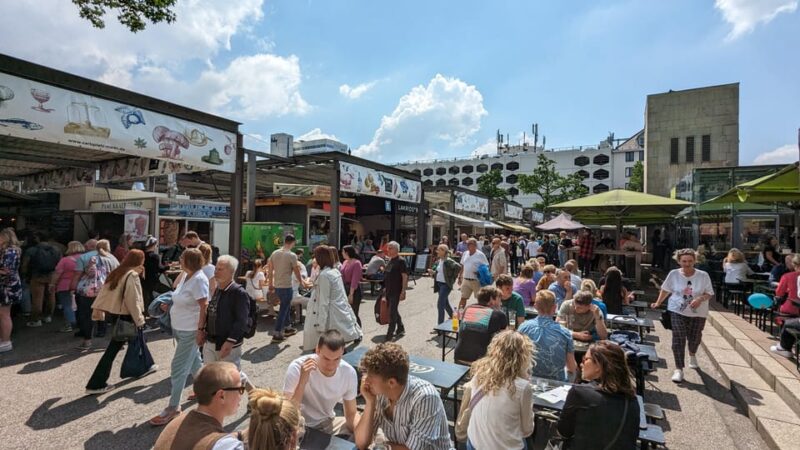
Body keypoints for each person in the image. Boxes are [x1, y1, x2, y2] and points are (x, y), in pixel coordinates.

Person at [150, 248, 210, 426]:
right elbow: (177, 291)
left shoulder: (199, 279)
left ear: (189, 261)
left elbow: (203, 306)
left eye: (182, 258)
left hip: (190, 330)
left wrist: (200, 330)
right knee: (195, 363)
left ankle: (174, 407)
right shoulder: (187, 276)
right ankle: (204, 391)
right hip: (180, 328)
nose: (179, 260)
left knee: (178, 368)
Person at [354, 343, 452, 450]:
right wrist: (370, 403)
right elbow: (361, 443)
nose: (365, 380)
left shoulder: (425, 398)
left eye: (370, 377)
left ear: (391, 382)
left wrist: (381, 447)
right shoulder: (380, 393)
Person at [85, 249, 156, 394]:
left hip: (117, 314)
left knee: (136, 341)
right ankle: (96, 383)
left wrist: (99, 310)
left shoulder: (118, 272)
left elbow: (106, 294)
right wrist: (140, 319)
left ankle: (146, 366)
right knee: (116, 348)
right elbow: (133, 300)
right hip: (128, 315)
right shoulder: (132, 275)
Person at [456, 330, 535, 450]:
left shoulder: (480, 373)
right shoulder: (523, 387)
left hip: (474, 444)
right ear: (523, 357)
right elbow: (527, 430)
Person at [557, 341, 640, 450]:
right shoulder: (632, 399)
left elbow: (563, 432)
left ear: (599, 366)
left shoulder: (579, 392)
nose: (581, 364)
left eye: (585, 359)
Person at [650, 248, 714, 383]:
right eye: (684, 261)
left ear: (695, 261)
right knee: (678, 337)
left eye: (690, 261)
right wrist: (657, 302)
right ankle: (679, 369)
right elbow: (665, 289)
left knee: (695, 337)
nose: (687, 264)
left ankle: (692, 354)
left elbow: (709, 293)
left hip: (698, 312)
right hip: (677, 310)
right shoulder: (674, 274)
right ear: (679, 261)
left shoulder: (703, 275)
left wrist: (699, 299)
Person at [154, 362, 246, 450]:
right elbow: (221, 444)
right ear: (221, 395)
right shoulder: (224, 445)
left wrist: (243, 434)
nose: (241, 394)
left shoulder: (176, 423)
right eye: (240, 389)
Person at [283, 330, 360, 435]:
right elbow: (288, 413)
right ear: (317, 351)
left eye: (336, 359)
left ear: (342, 353)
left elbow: (351, 414)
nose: (331, 365)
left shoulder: (348, 372)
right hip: (299, 425)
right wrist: (302, 382)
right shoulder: (297, 367)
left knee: (372, 433)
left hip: (328, 422)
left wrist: (363, 434)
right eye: (326, 359)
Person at [201, 255, 253, 393]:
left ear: (231, 272)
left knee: (232, 376)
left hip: (227, 342)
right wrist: (202, 330)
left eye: (220, 269)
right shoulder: (218, 289)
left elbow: (242, 321)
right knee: (216, 374)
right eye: (216, 268)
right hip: (212, 340)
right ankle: (254, 394)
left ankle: (253, 396)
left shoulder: (238, 292)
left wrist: (230, 342)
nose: (216, 272)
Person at [304, 246, 362, 349]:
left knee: (330, 346)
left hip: (330, 316)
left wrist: (320, 324)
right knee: (337, 344)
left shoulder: (325, 275)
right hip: (338, 311)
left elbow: (323, 302)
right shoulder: (334, 271)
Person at [518, 290, 577, 382]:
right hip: (556, 383)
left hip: (529, 380)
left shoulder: (523, 328)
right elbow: (572, 367)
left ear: (535, 307)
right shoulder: (565, 333)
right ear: (555, 307)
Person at [72, 239, 119, 350]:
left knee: (87, 315)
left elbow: (90, 273)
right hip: (109, 290)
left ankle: (87, 340)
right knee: (110, 313)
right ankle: (111, 334)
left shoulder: (93, 258)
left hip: (91, 291)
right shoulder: (113, 258)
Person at [454, 287, 509, 364]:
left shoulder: (468, 308)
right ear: (491, 299)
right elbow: (505, 340)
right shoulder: (498, 314)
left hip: (459, 358)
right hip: (480, 364)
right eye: (499, 300)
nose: (501, 303)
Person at [267, 235, 306, 342]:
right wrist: (302, 282)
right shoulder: (292, 255)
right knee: (283, 309)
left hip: (277, 285)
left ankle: (288, 328)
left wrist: (270, 284)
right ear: (293, 243)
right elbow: (297, 271)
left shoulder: (274, 253)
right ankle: (277, 333)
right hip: (286, 286)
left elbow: (270, 270)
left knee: (286, 306)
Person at [23, 232, 62, 327]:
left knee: (37, 299)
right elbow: (60, 264)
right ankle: (48, 316)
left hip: (37, 275)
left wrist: (25, 275)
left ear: (37, 238)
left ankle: (36, 320)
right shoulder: (56, 249)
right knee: (51, 296)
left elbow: (25, 265)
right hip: (52, 275)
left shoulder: (31, 250)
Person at [52, 241, 84, 333]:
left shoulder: (65, 260)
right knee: (80, 305)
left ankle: (70, 324)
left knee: (67, 305)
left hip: (64, 285)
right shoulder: (85, 258)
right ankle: (80, 323)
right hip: (80, 284)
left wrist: (52, 284)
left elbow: (57, 273)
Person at [0, 228, 22, 353]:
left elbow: (6, 271)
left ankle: (6, 341)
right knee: (3, 314)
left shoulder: (9, 252)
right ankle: (4, 339)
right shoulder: (11, 251)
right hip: (9, 285)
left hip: (7, 287)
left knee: (4, 314)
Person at [429, 244, 462, 326]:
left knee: (440, 304)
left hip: (445, 285)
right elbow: (439, 271)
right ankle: (455, 319)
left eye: (439, 250)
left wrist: (452, 278)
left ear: (444, 251)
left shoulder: (448, 261)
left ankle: (440, 325)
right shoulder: (439, 261)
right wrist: (433, 272)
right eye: (438, 250)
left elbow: (458, 267)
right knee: (446, 304)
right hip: (439, 284)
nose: (437, 251)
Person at [383, 241, 408, 341]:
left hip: (396, 290)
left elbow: (405, 276)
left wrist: (403, 291)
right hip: (388, 290)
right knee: (393, 310)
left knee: (392, 312)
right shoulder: (390, 261)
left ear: (396, 249)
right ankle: (401, 327)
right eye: (388, 248)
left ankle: (390, 334)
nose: (388, 250)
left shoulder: (401, 261)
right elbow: (387, 275)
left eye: (390, 248)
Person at [458, 238, 490, 309]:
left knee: (480, 299)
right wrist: (460, 276)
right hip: (466, 280)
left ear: (475, 245)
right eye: (468, 244)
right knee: (463, 298)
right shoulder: (465, 253)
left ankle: (480, 316)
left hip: (476, 280)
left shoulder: (480, 255)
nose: (468, 245)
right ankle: (459, 315)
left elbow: (486, 266)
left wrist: (479, 272)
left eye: (470, 244)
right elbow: (462, 265)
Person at [142, 236, 168, 311]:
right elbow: (159, 269)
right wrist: (168, 267)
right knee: (169, 292)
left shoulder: (142, 255)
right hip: (153, 281)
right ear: (153, 245)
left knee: (148, 296)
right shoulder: (155, 256)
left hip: (144, 281)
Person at [340, 245, 364, 327]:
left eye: (343, 252)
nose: (342, 254)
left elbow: (355, 280)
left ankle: (358, 332)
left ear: (347, 252)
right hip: (345, 288)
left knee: (354, 312)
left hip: (354, 290)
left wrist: (351, 294)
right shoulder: (345, 262)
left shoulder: (357, 263)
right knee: (346, 313)